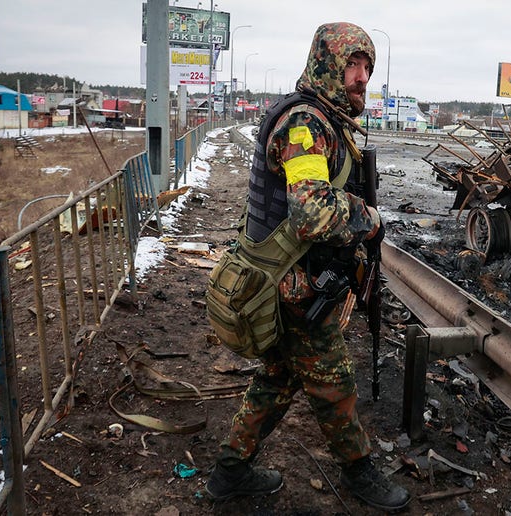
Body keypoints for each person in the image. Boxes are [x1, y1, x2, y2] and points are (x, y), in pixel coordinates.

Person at [205, 22, 410, 512]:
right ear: (327, 66)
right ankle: (360, 471)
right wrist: (371, 218)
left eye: (367, 68)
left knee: (279, 375)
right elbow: (312, 210)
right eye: (352, 66)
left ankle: (228, 473)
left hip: (293, 277)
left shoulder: (327, 119)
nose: (362, 77)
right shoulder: (306, 124)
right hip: (289, 284)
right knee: (333, 380)